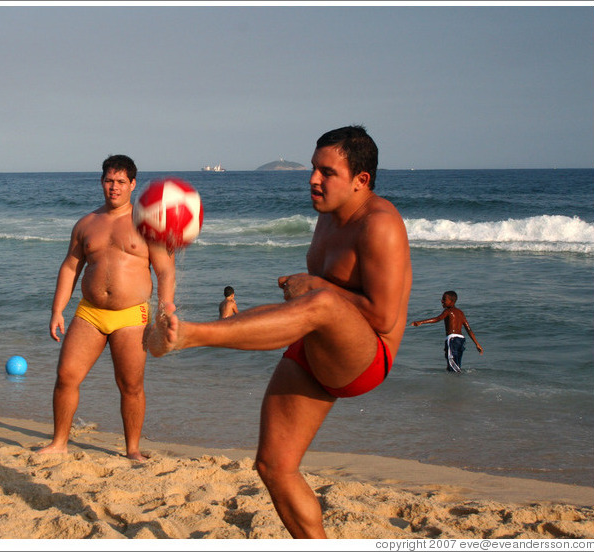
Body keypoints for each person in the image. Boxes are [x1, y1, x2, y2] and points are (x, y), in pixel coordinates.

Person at [145, 126, 412, 538]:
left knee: (322, 303)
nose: (313, 179)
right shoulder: (327, 219)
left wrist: (318, 287)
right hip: (314, 347)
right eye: (313, 169)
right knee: (273, 466)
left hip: (366, 358)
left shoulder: (380, 224)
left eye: (327, 172)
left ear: (362, 180)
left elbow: (384, 317)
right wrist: (309, 290)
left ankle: (191, 335)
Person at [37, 154, 176, 461]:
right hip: (89, 312)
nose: (114, 188)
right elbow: (70, 268)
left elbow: (165, 270)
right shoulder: (86, 223)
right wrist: (57, 310)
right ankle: (59, 442)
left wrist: (166, 309)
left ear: (133, 185)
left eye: (121, 182)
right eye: (109, 181)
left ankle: (133, 449)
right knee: (66, 376)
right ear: (102, 182)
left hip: (132, 315)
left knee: (130, 386)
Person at [411, 290, 483, 373]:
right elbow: (468, 329)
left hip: (452, 339)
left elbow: (437, 319)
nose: (442, 301)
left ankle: (457, 381)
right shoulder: (460, 313)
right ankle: (456, 383)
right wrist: (477, 344)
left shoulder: (448, 311)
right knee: (456, 364)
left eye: (444, 299)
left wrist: (421, 322)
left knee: (452, 366)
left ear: (452, 301)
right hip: (461, 340)